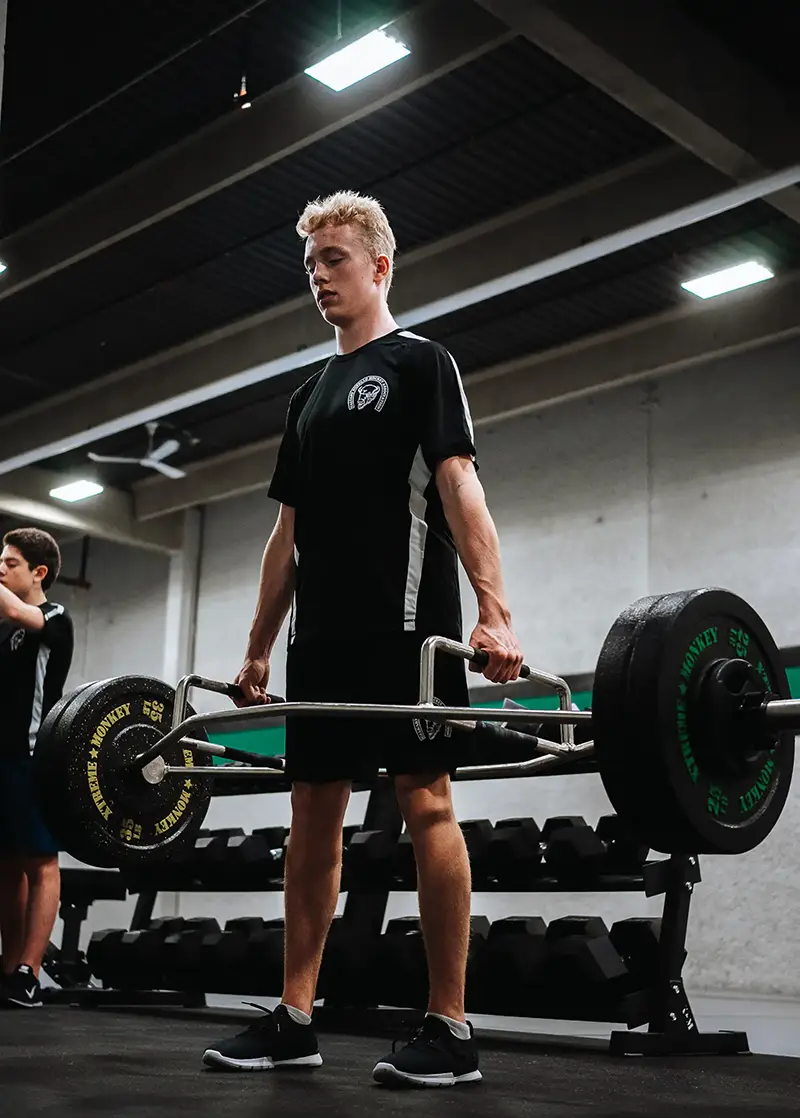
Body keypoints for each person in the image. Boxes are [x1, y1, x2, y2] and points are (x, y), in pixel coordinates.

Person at [202, 192, 523, 1085]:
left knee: (427, 804)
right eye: (310, 264)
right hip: (323, 641)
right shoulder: (305, 397)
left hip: (409, 627)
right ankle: (295, 1016)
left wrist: (495, 610)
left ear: (380, 265)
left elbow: (461, 488)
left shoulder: (423, 364)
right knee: (312, 816)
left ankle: (450, 1028)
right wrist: (260, 647)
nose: (319, 277)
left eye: (334, 259)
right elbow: (285, 538)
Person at [0, 527, 74, 1007]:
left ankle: (30, 969)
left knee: (40, 863)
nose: (1, 569)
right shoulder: (6, 627)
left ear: (38, 572)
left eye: (9, 564)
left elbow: (12, 608)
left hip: (32, 756)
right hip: (0, 758)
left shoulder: (53, 618)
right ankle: (8, 968)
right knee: (5, 866)